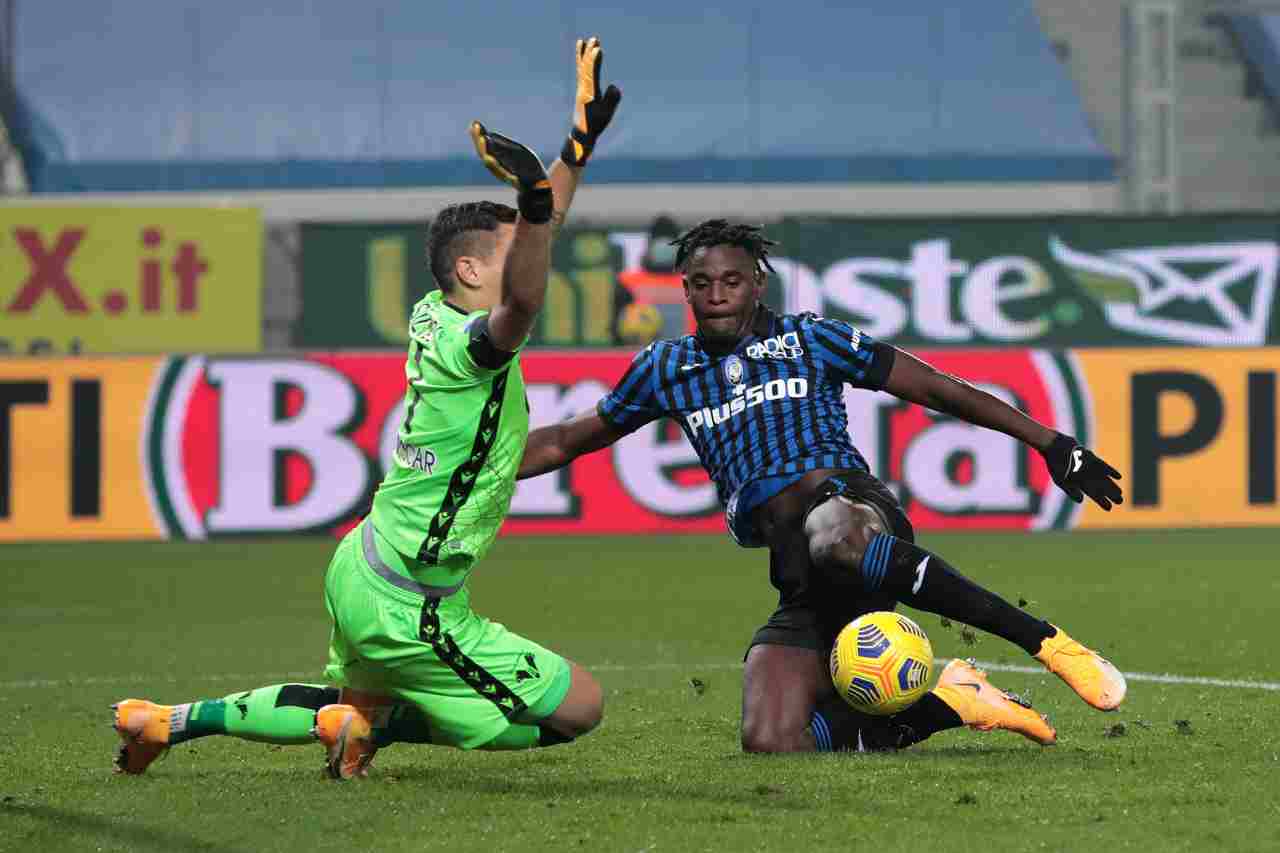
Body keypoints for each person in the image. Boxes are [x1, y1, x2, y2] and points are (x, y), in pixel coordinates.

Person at [111, 37, 622, 778]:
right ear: (473, 268)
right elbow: (527, 296)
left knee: (344, 702)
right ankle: (370, 729)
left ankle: (165, 721)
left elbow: (533, 254)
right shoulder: (471, 344)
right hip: (413, 601)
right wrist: (534, 201)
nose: (535, 250)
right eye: (519, 244)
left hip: (364, 560)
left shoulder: (434, 310)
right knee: (579, 707)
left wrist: (575, 150)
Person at [516, 219, 1127, 753]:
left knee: (833, 535)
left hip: (855, 514)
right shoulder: (665, 368)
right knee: (773, 741)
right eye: (702, 285)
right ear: (686, 290)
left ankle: (1048, 643)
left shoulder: (810, 339)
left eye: (732, 281)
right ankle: (958, 701)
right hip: (799, 572)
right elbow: (566, 440)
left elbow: (939, 388)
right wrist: (459, 464)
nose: (717, 296)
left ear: (757, 283)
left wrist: (1050, 442)